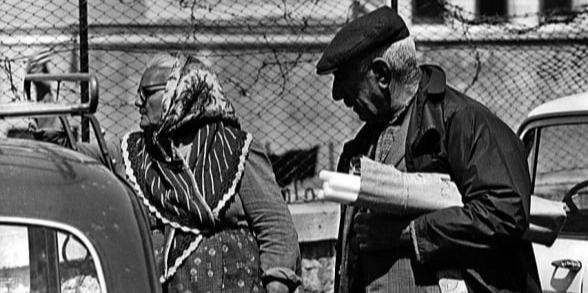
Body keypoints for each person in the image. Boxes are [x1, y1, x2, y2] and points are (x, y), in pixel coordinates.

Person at [32, 52, 302, 293]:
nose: (137, 101)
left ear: (178, 92)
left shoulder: (236, 149)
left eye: (146, 92)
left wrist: (276, 285)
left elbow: (276, 228)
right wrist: (47, 103)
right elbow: (70, 155)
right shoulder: (134, 151)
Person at [315, 6, 541, 293]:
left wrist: (409, 233)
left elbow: (503, 213)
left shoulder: (464, 123)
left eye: (346, 77)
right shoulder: (362, 144)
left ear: (382, 74)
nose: (336, 94)